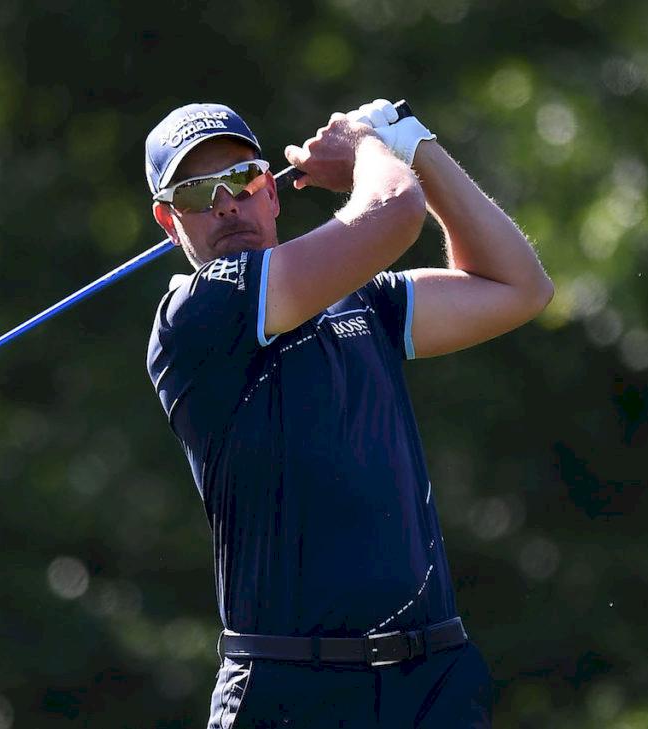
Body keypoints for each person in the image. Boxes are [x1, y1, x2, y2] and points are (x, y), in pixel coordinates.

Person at [143, 99, 553, 728]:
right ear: (169, 221)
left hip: (432, 683)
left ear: (271, 193)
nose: (226, 204)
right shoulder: (197, 314)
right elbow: (396, 211)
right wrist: (365, 145)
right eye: (197, 193)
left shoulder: (361, 301)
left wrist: (416, 144)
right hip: (291, 691)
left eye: (242, 179)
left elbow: (519, 287)